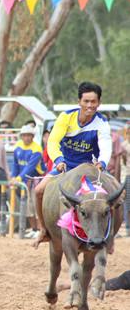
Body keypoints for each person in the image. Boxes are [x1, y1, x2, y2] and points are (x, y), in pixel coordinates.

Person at [34, 82, 111, 248]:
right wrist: (58, 160)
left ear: (99, 103)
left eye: (93, 102)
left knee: (118, 193)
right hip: (65, 166)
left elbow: (106, 146)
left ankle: (110, 237)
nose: (90, 105)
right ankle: (43, 230)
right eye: (86, 101)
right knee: (39, 191)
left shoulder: (102, 123)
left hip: (92, 170)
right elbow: (53, 142)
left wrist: (102, 162)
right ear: (79, 102)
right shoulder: (65, 117)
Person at [10, 125, 44, 238]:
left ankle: (40, 229)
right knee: (28, 206)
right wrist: (13, 176)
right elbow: (16, 164)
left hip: (36, 179)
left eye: (29, 135)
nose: (27, 138)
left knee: (36, 205)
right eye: (24, 135)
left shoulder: (36, 149)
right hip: (24, 181)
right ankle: (33, 229)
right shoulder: (18, 146)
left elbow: (30, 166)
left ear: (33, 136)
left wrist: (19, 178)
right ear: (21, 136)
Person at [122, 128, 130, 237]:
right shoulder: (124, 145)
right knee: (128, 203)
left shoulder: (124, 145)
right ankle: (128, 228)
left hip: (127, 175)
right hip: (128, 175)